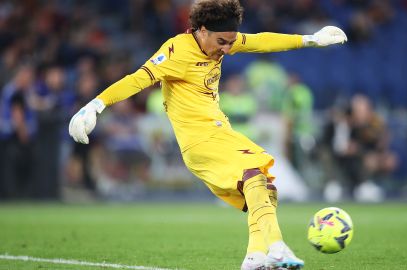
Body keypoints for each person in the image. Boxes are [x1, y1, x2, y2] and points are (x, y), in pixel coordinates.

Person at [68, 0, 347, 269]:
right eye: (221, 42)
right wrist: (96, 105)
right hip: (199, 140)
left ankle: (255, 257)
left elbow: (262, 41)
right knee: (253, 172)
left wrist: (311, 39)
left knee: (263, 189)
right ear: (202, 31)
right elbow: (138, 79)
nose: (226, 49)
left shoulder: (221, 40)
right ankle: (277, 247)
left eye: (231, 42)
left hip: (219, 133)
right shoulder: (177, 51)